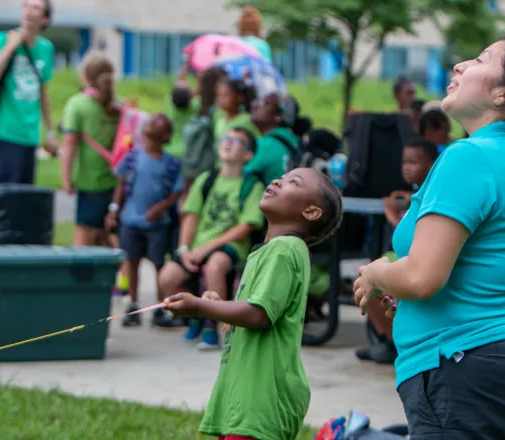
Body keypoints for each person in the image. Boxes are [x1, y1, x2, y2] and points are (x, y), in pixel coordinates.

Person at [354, 39, 505, 438]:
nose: (459, 64)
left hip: (460, 364)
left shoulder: (469, 157)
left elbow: (422, 277)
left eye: (479, 59)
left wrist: (376, 272)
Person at [163, 167, 343, 440]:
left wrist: (199, 307)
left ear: (311, 211)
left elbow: (258, 314)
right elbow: (249, 316)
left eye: (293, 182)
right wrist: (218, 305)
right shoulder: (266, 252)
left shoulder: (285, 249)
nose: (277, 181)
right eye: (281, 178)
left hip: (260, 400)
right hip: (244, 397)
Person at [157, 128, 264, 349]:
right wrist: (184, 248)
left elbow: (244, 227)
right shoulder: (206, 180)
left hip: (230, 246)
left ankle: (212, 326)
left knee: (215, 267)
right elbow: (191, 216)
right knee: (168, 277)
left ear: (248, 155)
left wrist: (206, 249)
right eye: (226, 138)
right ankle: (198, 312)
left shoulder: (252, 186)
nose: (228, 143)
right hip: (197, 247)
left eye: (237, 141)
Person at [356, 137, 438, 364]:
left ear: (432, 165)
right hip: (405, 256)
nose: (407, 167)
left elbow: (416, 238)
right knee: (365, 276)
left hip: (416, 258)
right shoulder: (413, 192)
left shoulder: (435, 194)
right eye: (404, 162)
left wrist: (392, 216)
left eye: (414, 162)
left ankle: (395, 342)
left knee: (371, 276)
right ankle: (389, 339)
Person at [105, 113, 183, 327]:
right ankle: (133, 304)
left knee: (158, 263)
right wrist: (113, 210)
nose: (152, 124)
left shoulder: (172, 164)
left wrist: (162, 207)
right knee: (131, 262)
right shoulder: (131, 158)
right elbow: (121, 186)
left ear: (167, 135)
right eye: (151, 121)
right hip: (131, 221)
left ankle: (159, 307)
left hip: (157, 225)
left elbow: (176, 192)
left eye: (160, 122)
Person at [0, 0, 57, 184]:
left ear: (44, 19)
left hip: (30, 136)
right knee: (2, 202)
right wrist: (11, 46)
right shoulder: (3, 39)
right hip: (4, 133)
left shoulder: (46, 48)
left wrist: (50, 132)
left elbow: (43, 93)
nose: (29, 11)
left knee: (23, 201)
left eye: (36, 7)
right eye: (25, 5)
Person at [61, 52, 119, 246]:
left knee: (83, 248)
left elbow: (69, 147)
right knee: (110, 242)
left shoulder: (77, 104)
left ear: (84, 76)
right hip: (117, 185)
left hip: (89, 185)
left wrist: (66, 179)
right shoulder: (117, 105)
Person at [244, 93, 312, 186]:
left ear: (279, 115)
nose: (255, 105)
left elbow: (242, 176)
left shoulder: (266, 144)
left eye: (264, 103)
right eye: (257, 101)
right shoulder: (292, 139)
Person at [214, 77, 260, 153]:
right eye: (219, 95)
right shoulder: (219, 119)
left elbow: (255, 144)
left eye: (226, 95)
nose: (221, 99)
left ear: (240, 97)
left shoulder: (247, 120)